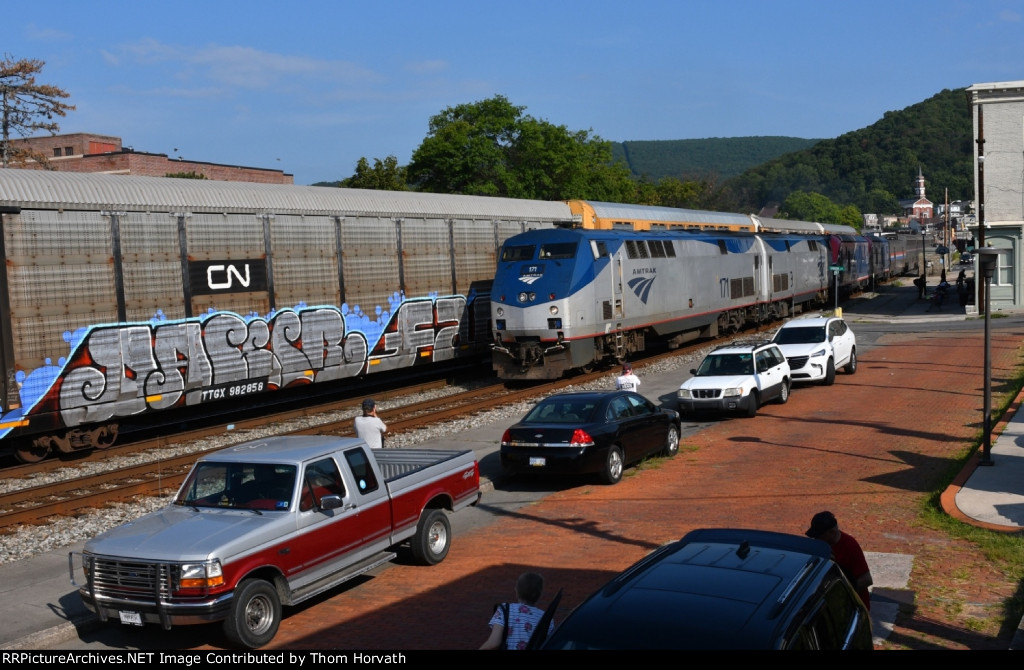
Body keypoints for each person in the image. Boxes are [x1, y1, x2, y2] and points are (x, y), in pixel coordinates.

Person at [806, 511, 873, 610]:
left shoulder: (850, 546)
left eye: (819, 535)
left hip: (854, 606)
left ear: (832, 532)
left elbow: (866, 579)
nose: (816, 539)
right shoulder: (821, 545)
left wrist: (843, 594)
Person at [480, 572, 555, 650]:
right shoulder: (547, 618)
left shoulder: (505, 609)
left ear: (516, 590)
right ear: (540, 594)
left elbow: (494, 642)